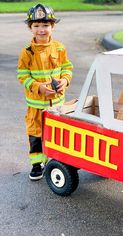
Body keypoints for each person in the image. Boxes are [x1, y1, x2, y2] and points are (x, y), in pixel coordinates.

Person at [17, 4, 73, 181]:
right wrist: (38, 87)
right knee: (35, 134)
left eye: (45, 25)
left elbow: (67, 68)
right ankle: (37, 164)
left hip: (57, 104)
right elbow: (22, 75)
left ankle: (58, 161)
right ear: (30, 28)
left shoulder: (59, 48)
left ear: (53, 26)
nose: (41, 29)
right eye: (36, 26)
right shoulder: (27, 52)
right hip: (36, 106)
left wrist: (65, 80)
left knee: (57, 133)